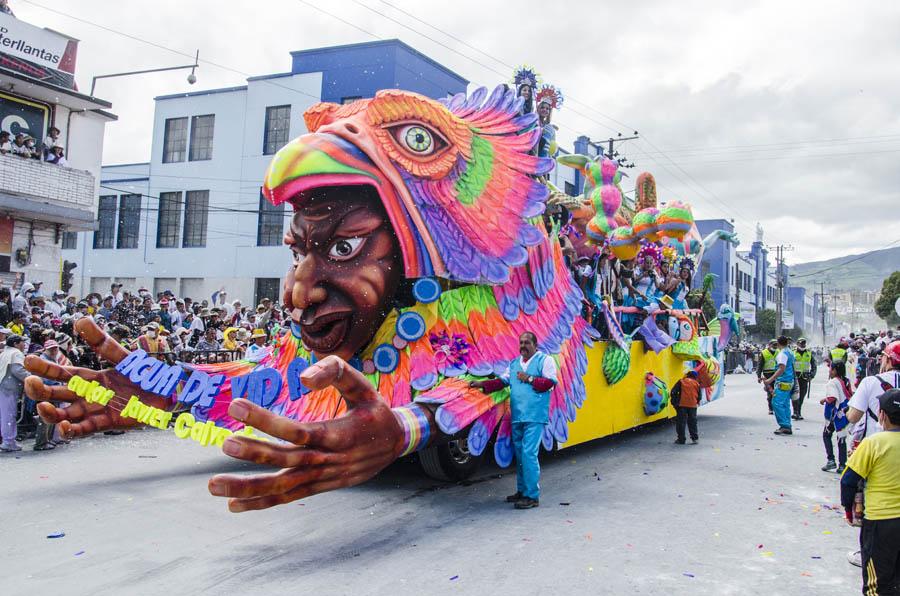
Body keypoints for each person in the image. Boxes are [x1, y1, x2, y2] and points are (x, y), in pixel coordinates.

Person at [471, 332, 557, 509]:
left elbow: (549, 384)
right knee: (519, 455)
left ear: (535, 344)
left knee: (528, 454)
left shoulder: (545, 360)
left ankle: (532, 496)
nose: (523, 346)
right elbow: (502, 382)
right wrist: (482, 385)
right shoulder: (514, 363)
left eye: (527, 342)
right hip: (518, 416)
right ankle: (522, 491)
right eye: (521, 343)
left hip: (535, 416)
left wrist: (530, 378)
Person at [840, 389, 900, 595]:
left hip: (881, 522)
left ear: (881, 415)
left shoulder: (873, 443)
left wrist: (849, 510)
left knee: (877, 585)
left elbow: (848, 480)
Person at [847, 341, 900, 446]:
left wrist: (847, 411)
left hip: (875, 447)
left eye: (883, 357)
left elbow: (853, 417)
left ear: (889, 360)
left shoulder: (870, 382)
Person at [820, 362, 852, 473]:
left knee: (826, 435)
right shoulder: (846, 381)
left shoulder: (832, 382)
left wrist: (824, 400)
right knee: (841, 438)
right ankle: (842, 464)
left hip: (834, 414)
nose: (829, 371)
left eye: (831, 369)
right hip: (844, 413)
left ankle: (831, 460)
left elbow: (832, 398)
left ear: (835, 370)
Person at [0, 335, 28, 452]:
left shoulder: (5, 352)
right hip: (9, 388)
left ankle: (8, 440)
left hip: (4, 386)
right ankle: (8, 442)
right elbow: (18, 370)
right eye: (22, 342)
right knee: (9, 415)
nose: (24, 344)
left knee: (5, 415)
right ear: (16, 344)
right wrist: (32, 378)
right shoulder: (16, 353)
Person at [765, 335, 795, 435]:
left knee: (776, 403)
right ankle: (787, 424)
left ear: (778, 343)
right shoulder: (790, 352)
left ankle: (784, 425)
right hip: (789, 381)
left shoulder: (782, 354)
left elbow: (781, 368)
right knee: (785, 404)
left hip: (783, 381)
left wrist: (770, 380)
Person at [671, 369, 701, 444]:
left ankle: (681, 439)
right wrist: (696, 402)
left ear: (687, 375)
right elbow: (699, 396)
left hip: (682, 405)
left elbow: (673, 392)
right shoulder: (696, 384)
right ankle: (695, 439)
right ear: (695, 377)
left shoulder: (681, 381)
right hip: (693, 405)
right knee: (692, 422)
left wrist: (675, 403)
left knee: (681, 422)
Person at [793, 337, 817, 420]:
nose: (802, 345)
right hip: (795, 377)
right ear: (797, 344)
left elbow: (814, 365)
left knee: (802, 395)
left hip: (805, 377)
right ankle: (796, 412)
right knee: (795, 395)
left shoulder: (809, 353)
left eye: (804, 343)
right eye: (801, 343)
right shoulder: (793, 353)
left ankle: (798, 411)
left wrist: (812, 375)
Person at [757, 339, 778, 415]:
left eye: (776, 345)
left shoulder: (779, 352)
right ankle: (770, 408)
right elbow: (760, 365)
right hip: (767, 375)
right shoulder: (763, 353)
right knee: (770, 392)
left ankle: (776, 407)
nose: (775, 346)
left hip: (777, 374)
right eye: (774, 345)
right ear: (769, 345)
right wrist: (759, 376)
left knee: (777, 392)